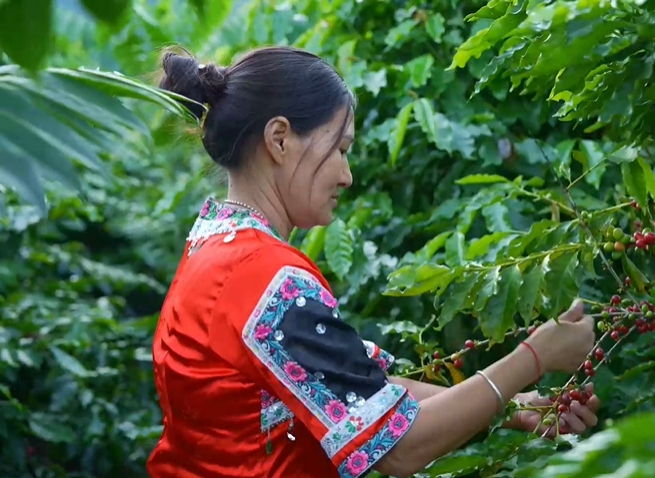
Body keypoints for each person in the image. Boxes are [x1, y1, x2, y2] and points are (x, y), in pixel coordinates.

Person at [147, 45, 601, 478]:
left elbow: (366, 396)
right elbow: (398, 448)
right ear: (280, 139)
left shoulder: (212, 248)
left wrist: (510, 406)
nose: (345, 175)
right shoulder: (266, 278)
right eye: (340, 149)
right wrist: (534, 356)